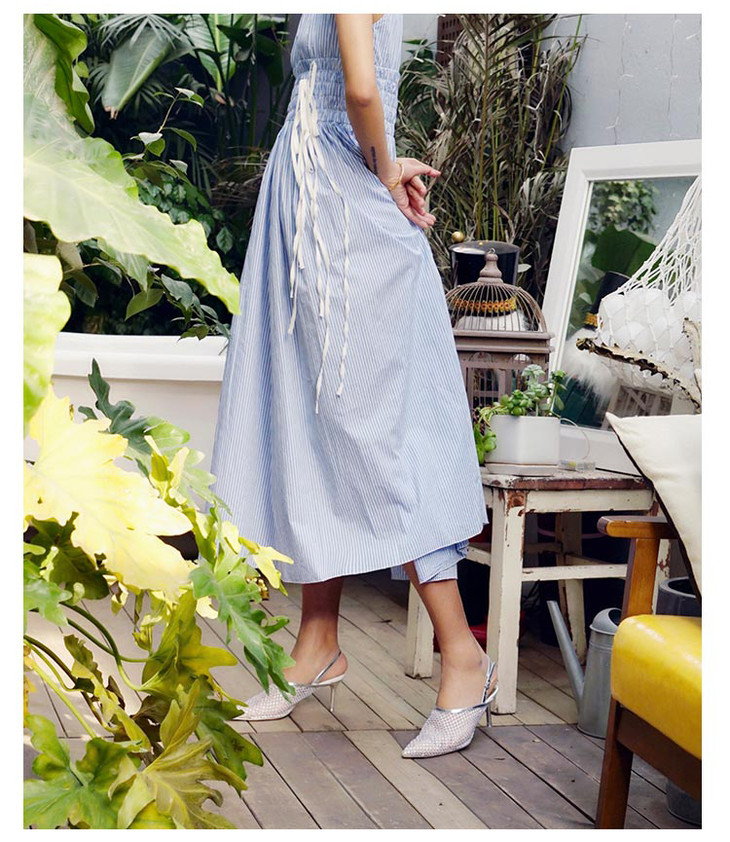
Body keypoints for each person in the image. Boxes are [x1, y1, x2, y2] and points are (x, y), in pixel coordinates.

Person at [210, 13, 497, 758]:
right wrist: (380, 164)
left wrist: (384, 170)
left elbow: (363, 91)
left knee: (376, 433)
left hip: (342, 208)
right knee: (316, 416)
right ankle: (317, 640)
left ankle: (463, 655)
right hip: (313, 206)